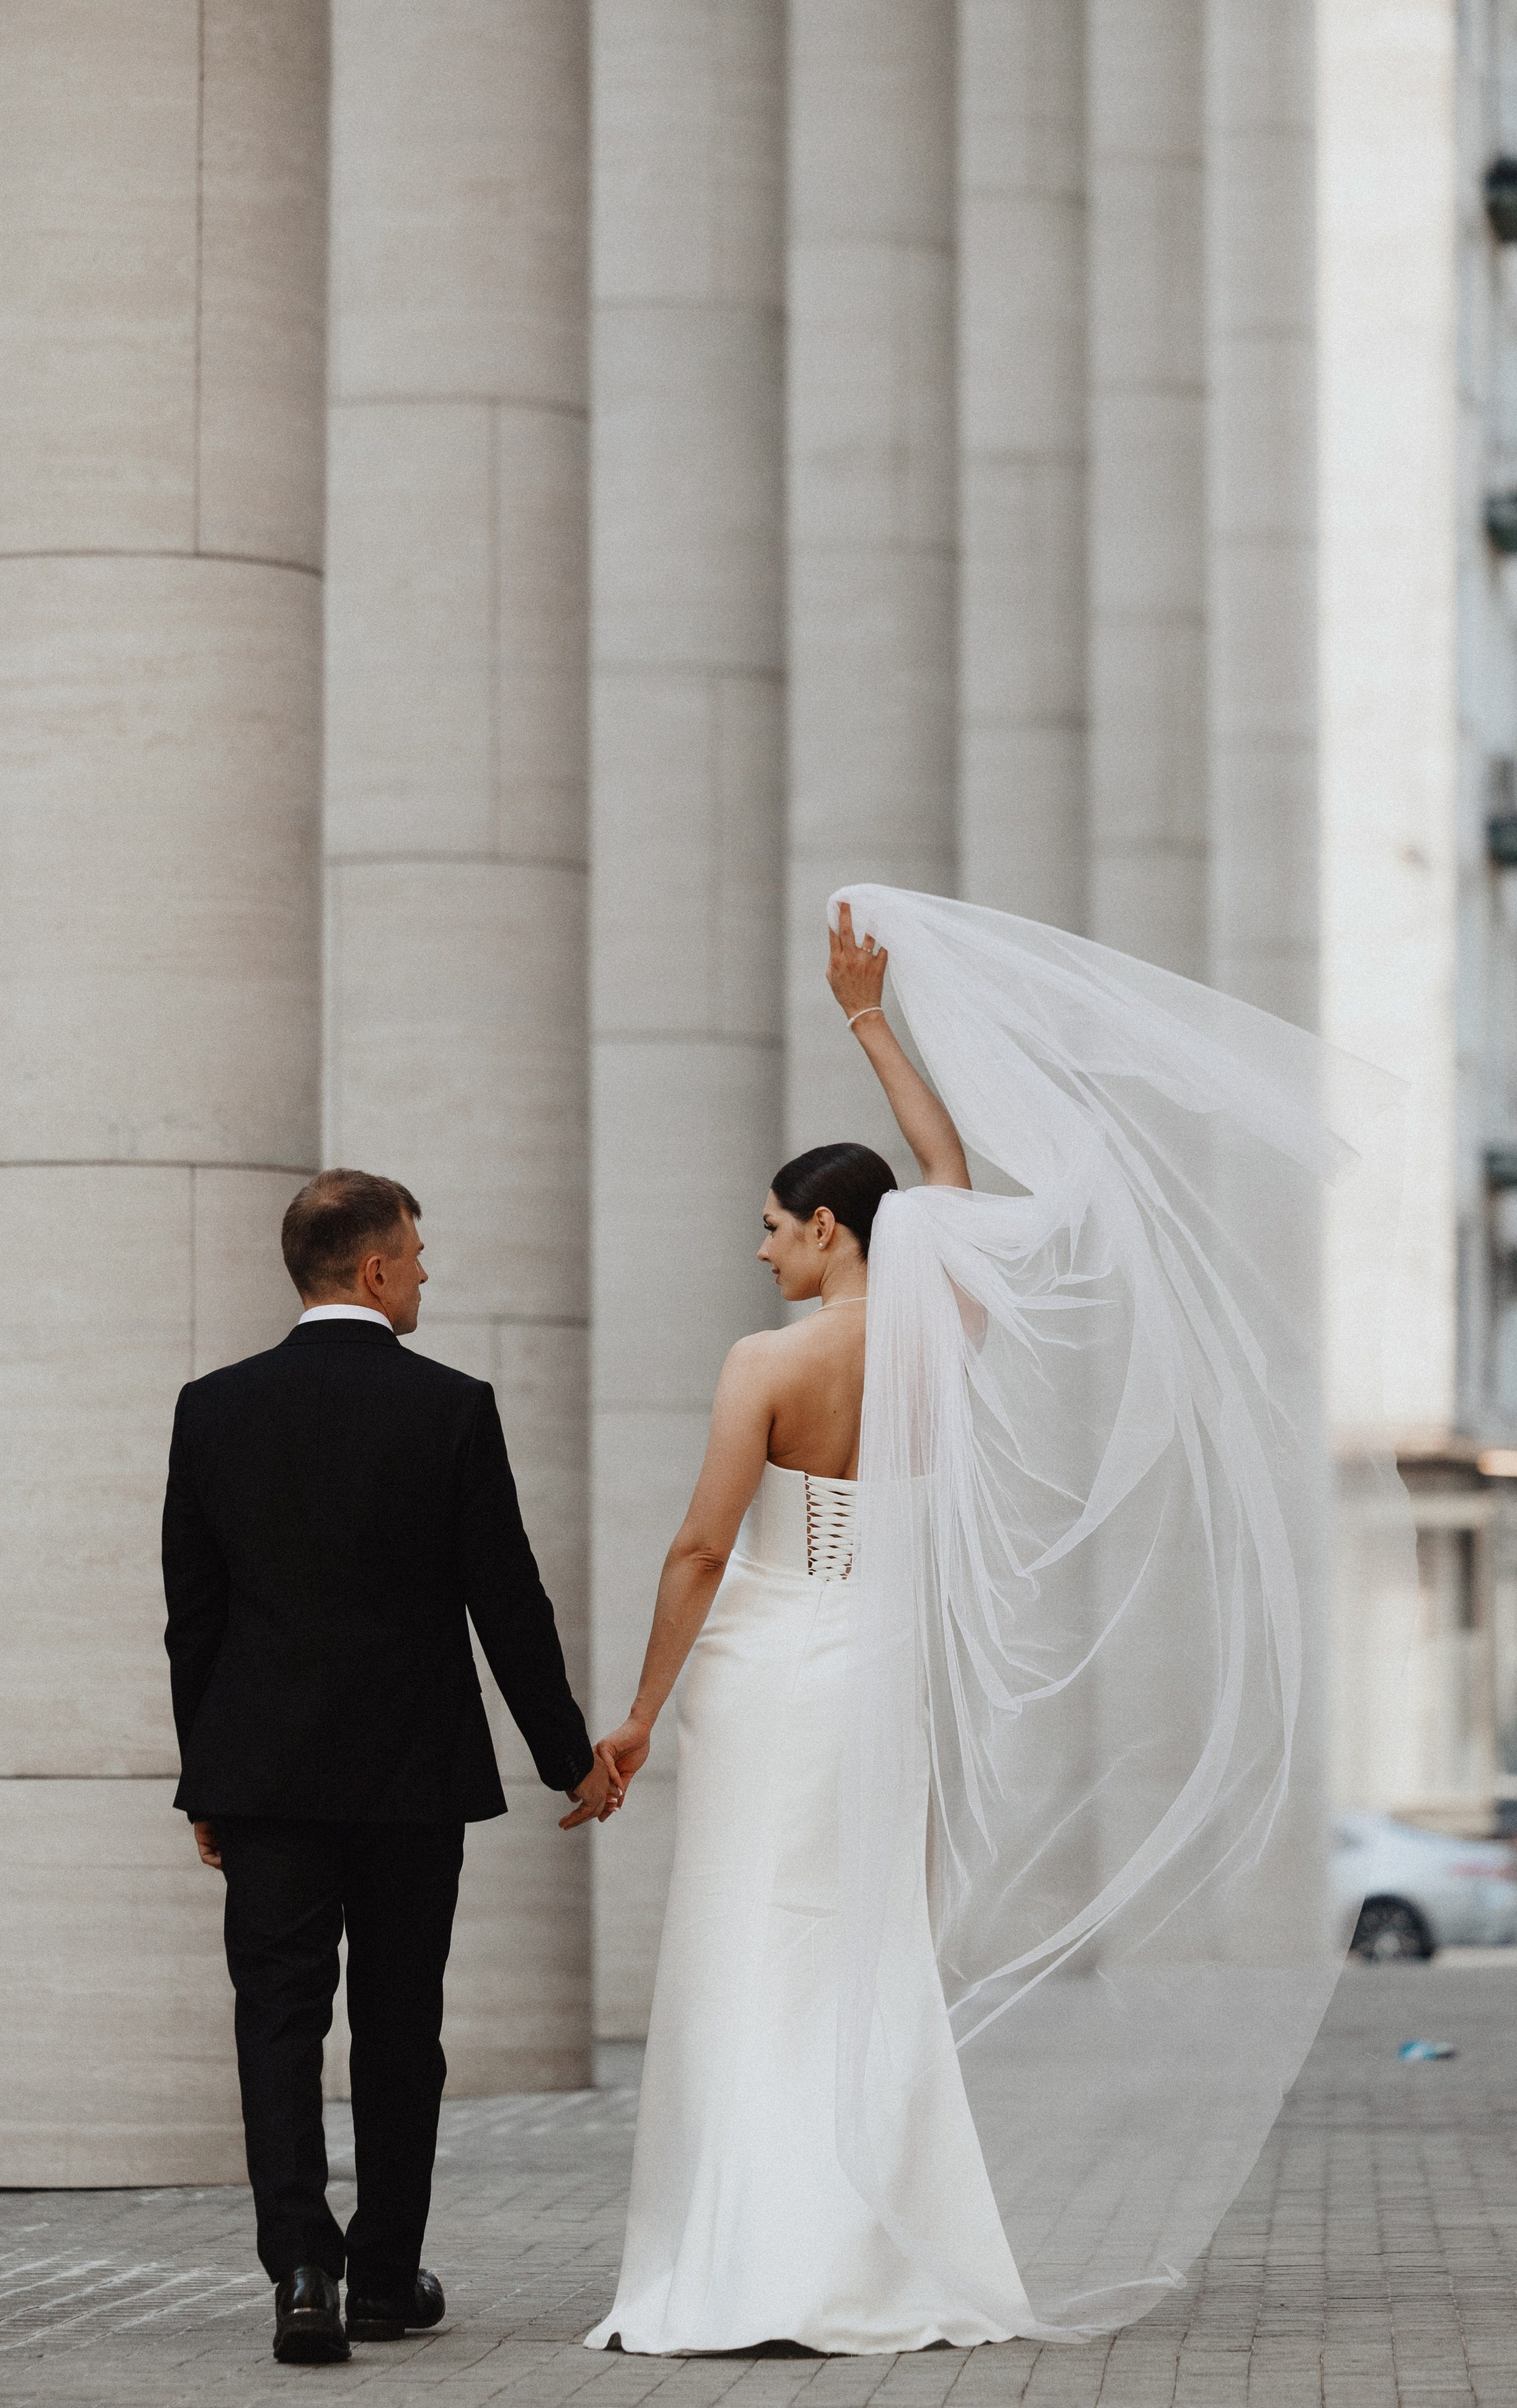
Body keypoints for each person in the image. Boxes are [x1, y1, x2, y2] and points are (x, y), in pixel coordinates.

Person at [584, 904, 1034, 2353]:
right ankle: (866, 2250)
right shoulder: (936, 1331)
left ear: (825, 1227)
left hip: (772, 1667)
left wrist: (642, 1711)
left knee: (745, 1952)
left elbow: (703, 1547)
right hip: (877, 1676)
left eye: (774, 1225)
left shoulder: (767, 1361)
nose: (760, 1246)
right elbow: (949, 1175)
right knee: (857, 1952)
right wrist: (865, 1020)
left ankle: (751, 2256)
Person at [162, 1169, 615, 2366]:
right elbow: (506, 1603)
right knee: (401, 2024)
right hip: (414, 1776)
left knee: (278, 2017)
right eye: (417, 1253)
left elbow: (193, 1618)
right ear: (374, 1269)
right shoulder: (452, 1408)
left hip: (262, 1775)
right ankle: (380, 2276)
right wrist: (572, 1760)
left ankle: (301, 2270)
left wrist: (207, 1776)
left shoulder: (211, 1408)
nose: (425, 1271)